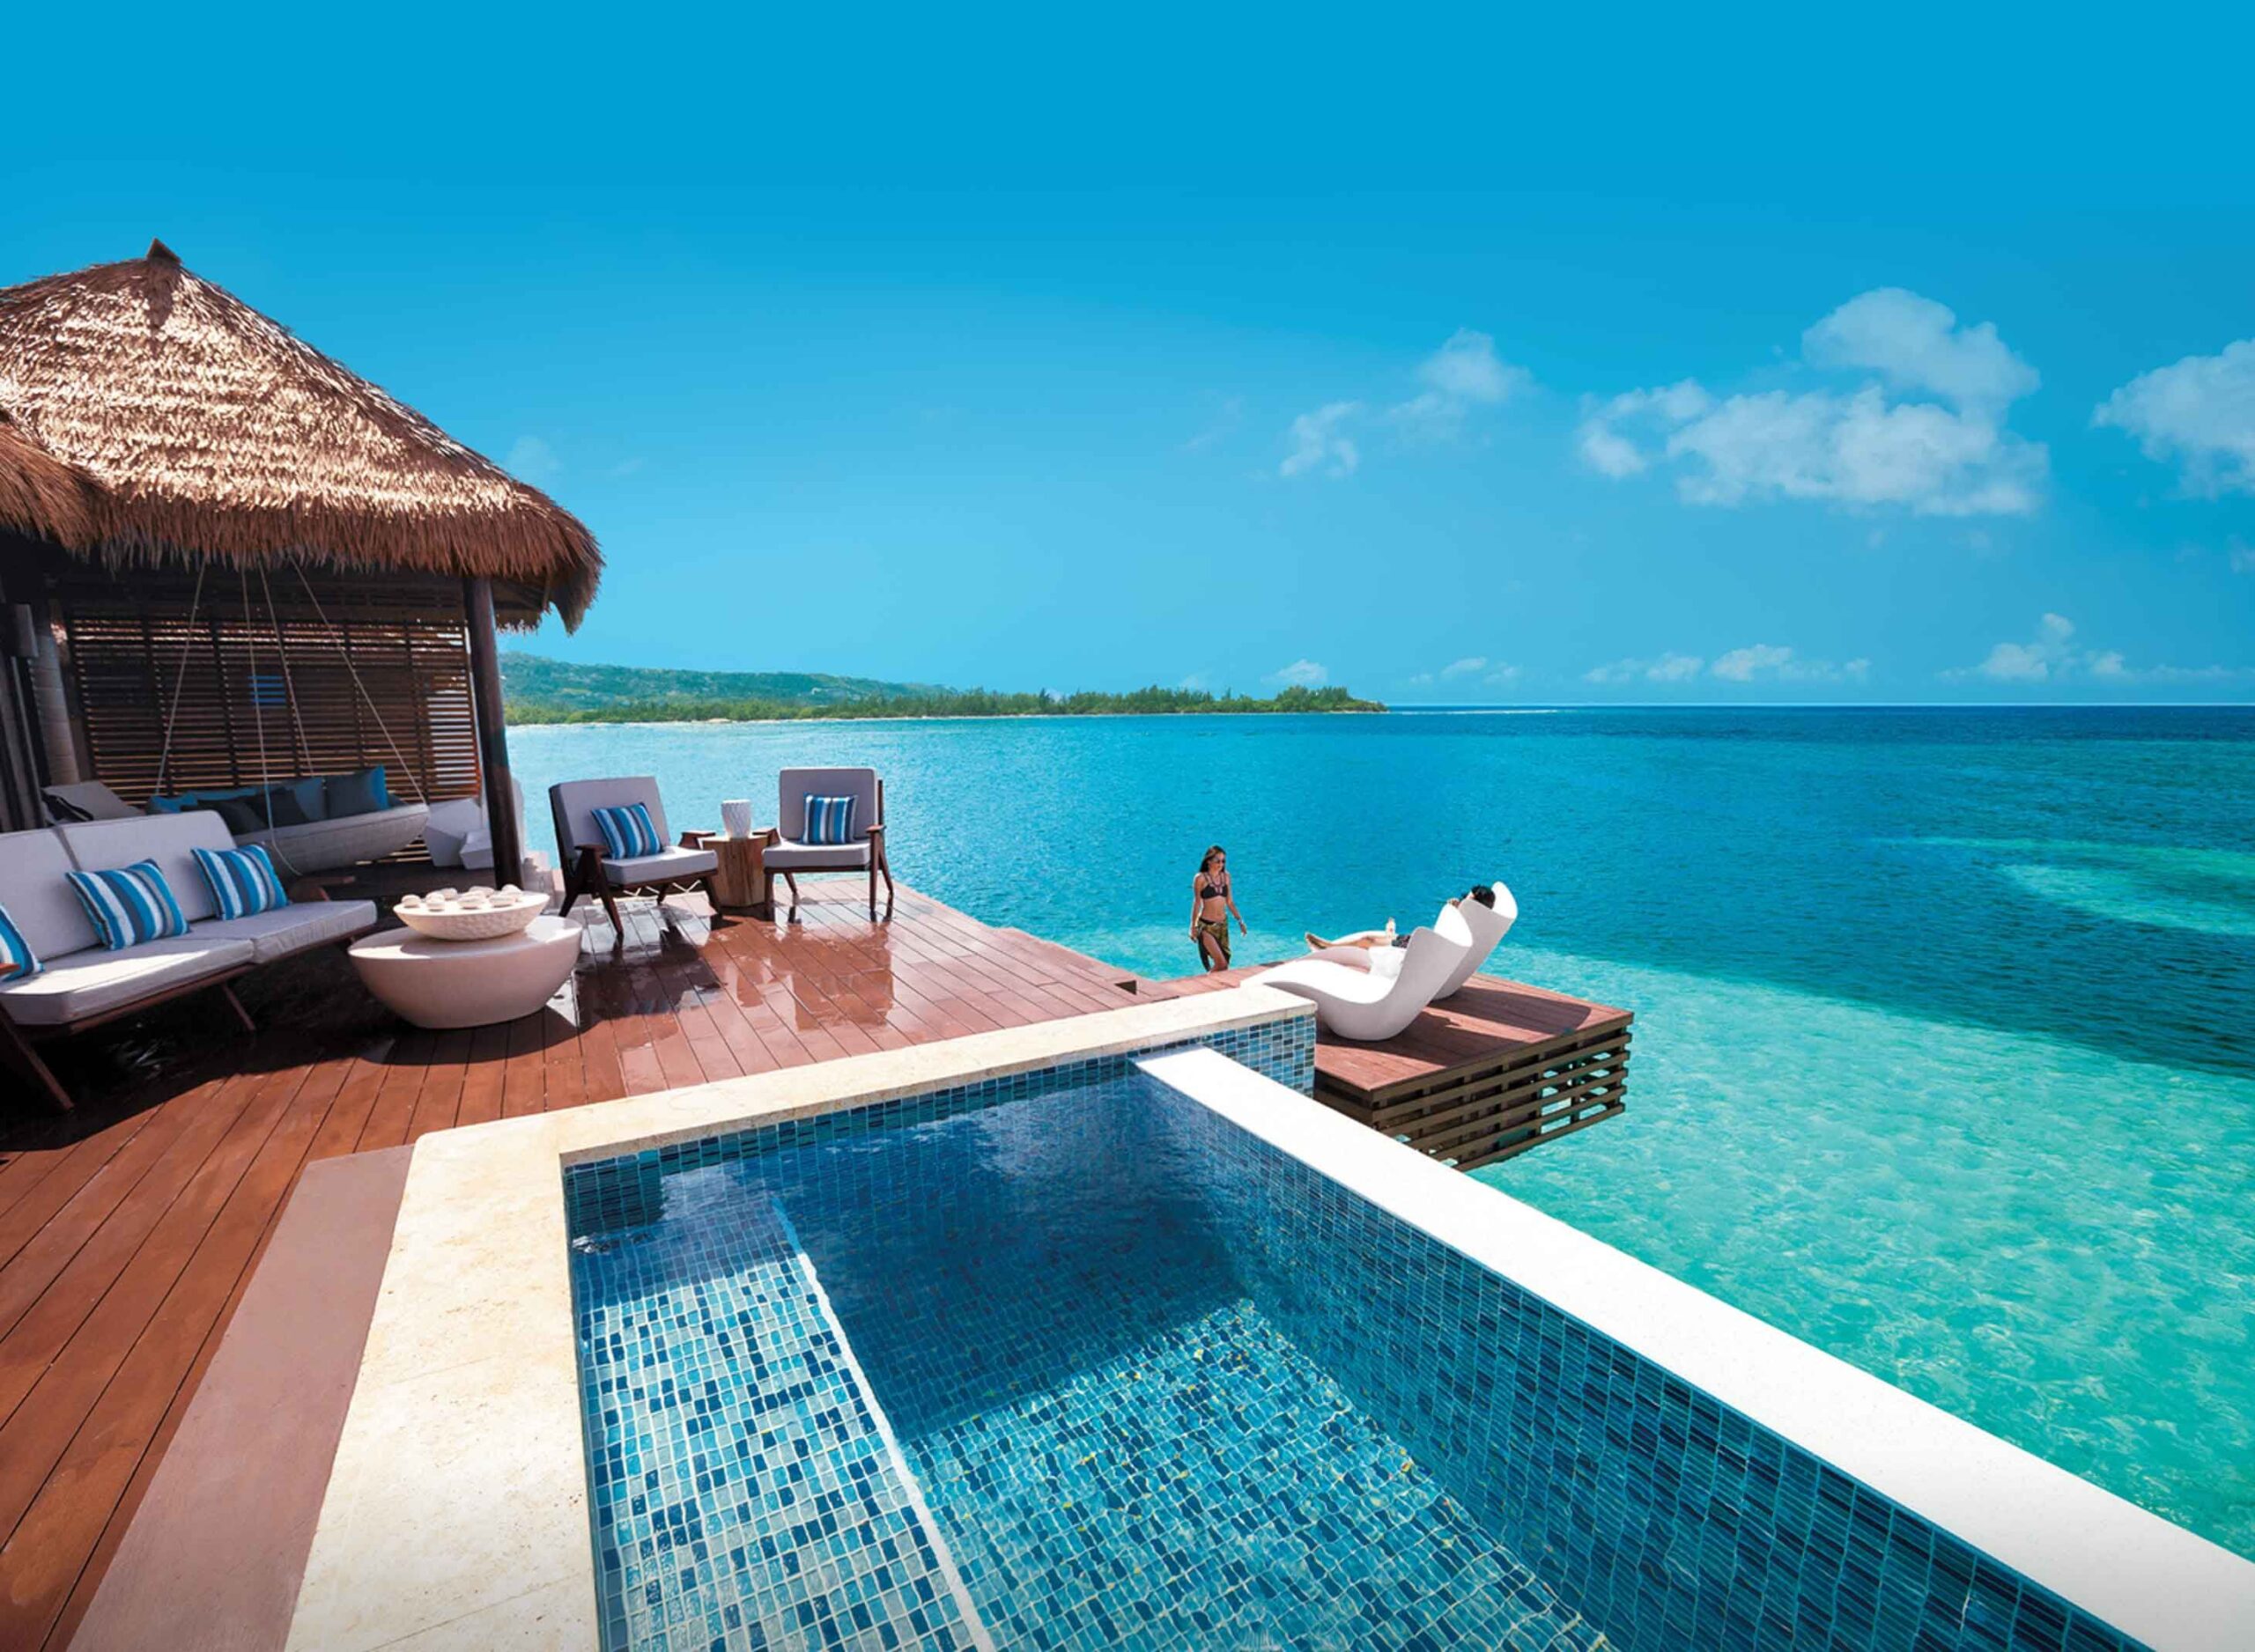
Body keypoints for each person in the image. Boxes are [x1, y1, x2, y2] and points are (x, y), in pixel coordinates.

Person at [1304, 884, 1496, 953]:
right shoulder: (1477, 923)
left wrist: (1454, 911)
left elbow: (1447, 936)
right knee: (1376, 935)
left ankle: (1328, 947)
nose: (1463, 900)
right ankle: (1391, 932)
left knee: (1368, 940)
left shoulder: (1467, 924)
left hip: (1420, 948)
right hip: (1420, 942)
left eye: (1468, 900)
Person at [1190, 844, 1247, 970]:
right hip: (1206, 926)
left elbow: (1230, 902)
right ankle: (1205, 984)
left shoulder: (1226, 876)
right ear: (1209, 861)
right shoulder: (1200, 878)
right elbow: (1197, 903)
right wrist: (1193, 926)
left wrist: (1240, 921)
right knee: (1222, 963)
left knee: (1224, 966)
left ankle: (1209, 984)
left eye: (1223, 861)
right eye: (1217, 861)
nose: (1221, 864)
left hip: (1222, 925)